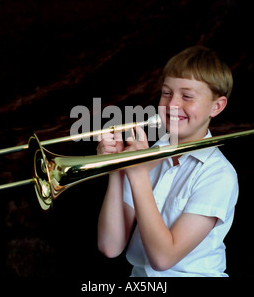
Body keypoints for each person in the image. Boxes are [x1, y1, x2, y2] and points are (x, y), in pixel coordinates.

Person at [97, 45, 238, 277]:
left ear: (217, 106)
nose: (172, 104)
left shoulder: (219, 175)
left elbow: (163, 258)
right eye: (166, 93)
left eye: (187, 96)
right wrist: (116, 169)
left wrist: (138, 175)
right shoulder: (150, 154)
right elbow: (110, 246)